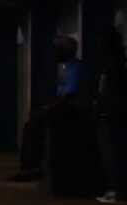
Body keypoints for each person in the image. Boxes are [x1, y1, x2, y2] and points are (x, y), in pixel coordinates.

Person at [10, 35, 83, 182]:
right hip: (63, 108)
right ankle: (30, 167)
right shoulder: (65, 68)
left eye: (57, 50)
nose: (54, 53)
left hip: (72, 111)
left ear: (65, 51)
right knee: (32, 123)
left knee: (34, 124)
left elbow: (70, 97)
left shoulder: (75, 68)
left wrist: (48, 108)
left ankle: (32, 168)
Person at [95, 31, 127, 204]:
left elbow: (103, 95)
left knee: (111, 155)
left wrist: (99, 111)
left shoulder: (107, 71)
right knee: (124, 153)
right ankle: (123, 190)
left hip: (110, 116)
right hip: (125, 117)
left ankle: (116, 190)